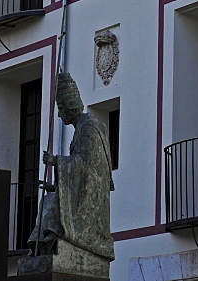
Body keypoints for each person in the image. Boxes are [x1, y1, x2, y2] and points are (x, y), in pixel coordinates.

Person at [28, 73, 114, 263]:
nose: (59, 114)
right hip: (83, 192)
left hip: (91, 200)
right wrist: (57, 186)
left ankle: (49, 241)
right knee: (47, 200)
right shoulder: (81, 128)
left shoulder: (90, 127)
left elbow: (88, 165)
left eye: (60, 108)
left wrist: (56, 160)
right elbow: (80, 167)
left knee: (51, 203)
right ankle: (43, 245)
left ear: (70, 107)